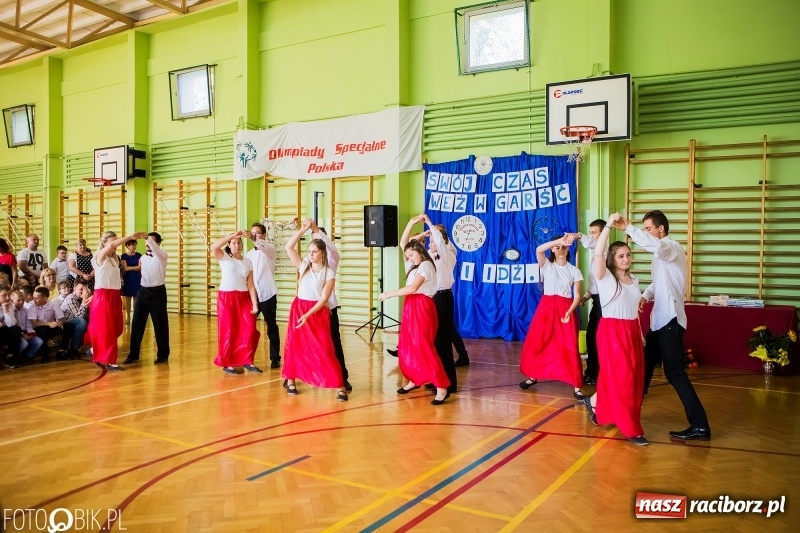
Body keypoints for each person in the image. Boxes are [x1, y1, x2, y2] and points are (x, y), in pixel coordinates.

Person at [614, 210, 711, 441]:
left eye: (648, 228)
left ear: (661, 229)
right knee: (644, 369)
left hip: (670, 321)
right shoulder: (661, 256)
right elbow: (659, 284)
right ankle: (626, 415)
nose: (646, 232)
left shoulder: (670, 247)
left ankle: (700, 426)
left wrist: (628, 228)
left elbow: (656, 247)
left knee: (675, 373)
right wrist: (645, 296)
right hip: (659, 322)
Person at [580, 214, 648, 446]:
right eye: (621, 255)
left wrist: (639, 334)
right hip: (612, 332)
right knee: (623, 379)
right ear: (612, 258)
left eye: (628, 254)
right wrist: (608, 225)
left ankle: (599, 409)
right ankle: (631, 429)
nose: (626, 258)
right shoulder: (605, 278)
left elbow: (634, 311)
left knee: (630, 379)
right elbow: (598, 253)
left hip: (631, 332)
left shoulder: (635, 280)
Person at [381, 215, 450, 405]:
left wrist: (389, 294)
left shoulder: (426, 265)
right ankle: (414, 379)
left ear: (420, 251)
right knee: (408, 345)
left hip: (422, 307)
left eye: (412, 255)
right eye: (408, 255)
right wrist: (411, 222)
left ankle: (442, 387)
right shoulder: (413, 264)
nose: (409, 257)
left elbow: (412, 289)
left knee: (424, 347)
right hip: (411, 306)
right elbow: (403, 243)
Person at [281, 220, 346, 401]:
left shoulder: (329, 272)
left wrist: (308, 315)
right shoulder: (303, 266)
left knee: (324, 349)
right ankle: (291, 380)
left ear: (322, 254)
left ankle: (339, 386)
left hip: (316, 311)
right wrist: (302, 229)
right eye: (309, 252)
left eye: (314, 251)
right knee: (293, 345)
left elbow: (324, 299)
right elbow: (288, 247)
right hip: (299, 308)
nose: (310, 255)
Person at [518, 235, 585, 401]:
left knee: (568, 344)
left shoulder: (574, 270)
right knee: (538, 342)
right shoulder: (547, 266)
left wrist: (570, 310)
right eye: (557, 247)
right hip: (547, 307)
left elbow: (577, 295)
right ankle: (533, 376)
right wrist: (558, 241)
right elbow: (539, 250)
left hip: (565, 308)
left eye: (564, 247)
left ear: (569, 248)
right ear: (553, 249)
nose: (561, 249)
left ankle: (576, 385)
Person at [88, 230, 148, 371]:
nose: (115, 244)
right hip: (103, 296)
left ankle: (93, 350)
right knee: (108, 329)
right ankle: (110, 361)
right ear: (104, 243)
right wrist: (129, 237)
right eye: (112, 241)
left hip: (114, 295)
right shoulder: (99, 256)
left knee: (117, 328)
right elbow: (111, 246)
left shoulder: (115, 258)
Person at [310, 219, 352, 391]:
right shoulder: (308, 262)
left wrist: (316, 230)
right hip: (309, 308)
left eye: (318, 240)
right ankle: (296, 375)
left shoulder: (331, 260)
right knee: (306, 343)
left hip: (328, 309)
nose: (313, 251)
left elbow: (331, 247)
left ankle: (342, 377)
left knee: (334, 343)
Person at [210, 231, 261, 375]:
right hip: (226, 298)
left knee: (250, 329)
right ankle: (227, 363)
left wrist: (255, 304)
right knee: (228, 330)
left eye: (239, 242)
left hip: (243, 297)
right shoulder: (224, 257)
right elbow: (214, 247)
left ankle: (247, 360)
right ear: (229, 245)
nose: (237, 245)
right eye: (234, 243)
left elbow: (250, 284)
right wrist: (231, 236)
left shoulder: (248, 261)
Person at [568, 219, 607, 385]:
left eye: (595, 232)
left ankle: (594, 373)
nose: (592, 236)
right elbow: (595, 283)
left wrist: (578, 235)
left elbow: (591, 243)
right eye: (590, 232)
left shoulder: (606, 250)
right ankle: (593, 372)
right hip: (597, 300)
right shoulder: (596, 255)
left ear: (604, 232)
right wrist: (586, 296)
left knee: (595, 337)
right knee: (593, 337)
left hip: (606, 302)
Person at [124, 233, 170, 365]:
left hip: (158, 293)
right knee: (137, 323)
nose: (148, 246)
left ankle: (162, 355)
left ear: (157, 244)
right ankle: (133, 354)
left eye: (150, 243)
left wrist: (148, 238)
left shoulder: (162, 256)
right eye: (146, 244)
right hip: (143, 292)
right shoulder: (143, 258)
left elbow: (156, 250)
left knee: (160, 324)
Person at [246, 223, 281, 369]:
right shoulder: (249, 255)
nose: (255, 235)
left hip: (268, 294)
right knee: (248, 326)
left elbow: (264, 247)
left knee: (271, 326)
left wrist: (255, 239)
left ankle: (275, 357)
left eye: (258, 233)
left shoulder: (270, 250)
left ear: (264, 235)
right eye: (253, 233)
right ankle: (247, 357)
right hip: (253, 296)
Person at [28, 286, 65, 363]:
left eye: (36, 298)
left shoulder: (53, 304)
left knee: (68, 326)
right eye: (33, 297)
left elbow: (61, 318)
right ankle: (44, 353)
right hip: (38, 328)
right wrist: (49, 323)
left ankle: (62, 350)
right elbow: (34, 324)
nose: (34, 300)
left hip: (50, 327)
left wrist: (59, 323)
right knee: (43, 329)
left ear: (45, 298)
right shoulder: (32, 306)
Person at [60, 277, 91, 359]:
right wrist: (85, 300)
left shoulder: (82, 297)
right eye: (81, 289)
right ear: (74, 288)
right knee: (82, 322)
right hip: (65, 323)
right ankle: (73, 349)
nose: (83, 292)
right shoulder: (71, 298)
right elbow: (80, 317)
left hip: (75, 321)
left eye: (85, 289)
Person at [0, 284, 23, 369]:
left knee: (15, 329)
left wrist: (5, 309)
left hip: (5, 331)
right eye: (4, 295)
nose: (7, 298)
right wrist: (2, 324)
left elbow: (11, 324)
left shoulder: (9, 305)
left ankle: (10, 357)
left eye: (9, 295)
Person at [120, 239, 142, 325]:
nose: (134, 247)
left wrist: (130, 268)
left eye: (135, 245)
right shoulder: (124, 256)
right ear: (128, 246)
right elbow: (125, 268)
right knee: (128, 299)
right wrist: (134, 268)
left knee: (136, 299)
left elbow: (140, 267)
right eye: (133, 245)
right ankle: (128, 317)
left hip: (137, 278)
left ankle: (136, 317)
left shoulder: (139, 255)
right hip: (128, 278)